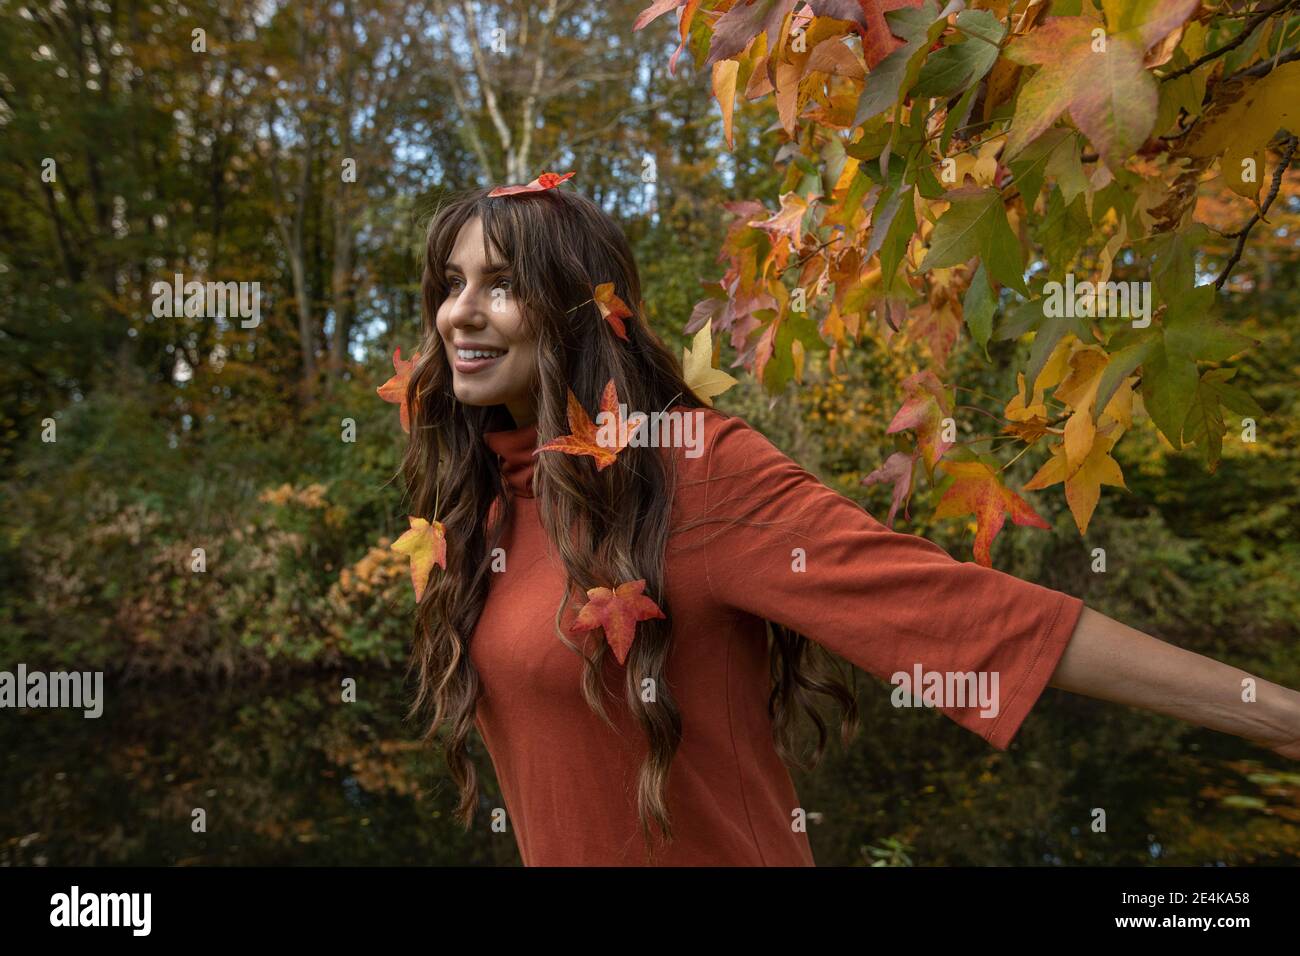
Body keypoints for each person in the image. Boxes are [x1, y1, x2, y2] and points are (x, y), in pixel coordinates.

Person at [395, 179, 1300, 867]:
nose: (459, 313)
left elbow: (965, 618)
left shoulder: (692, 474)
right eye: (451, 283)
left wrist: (1280, 718)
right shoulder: (482, 506)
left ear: (578, 310)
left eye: (502, 285)